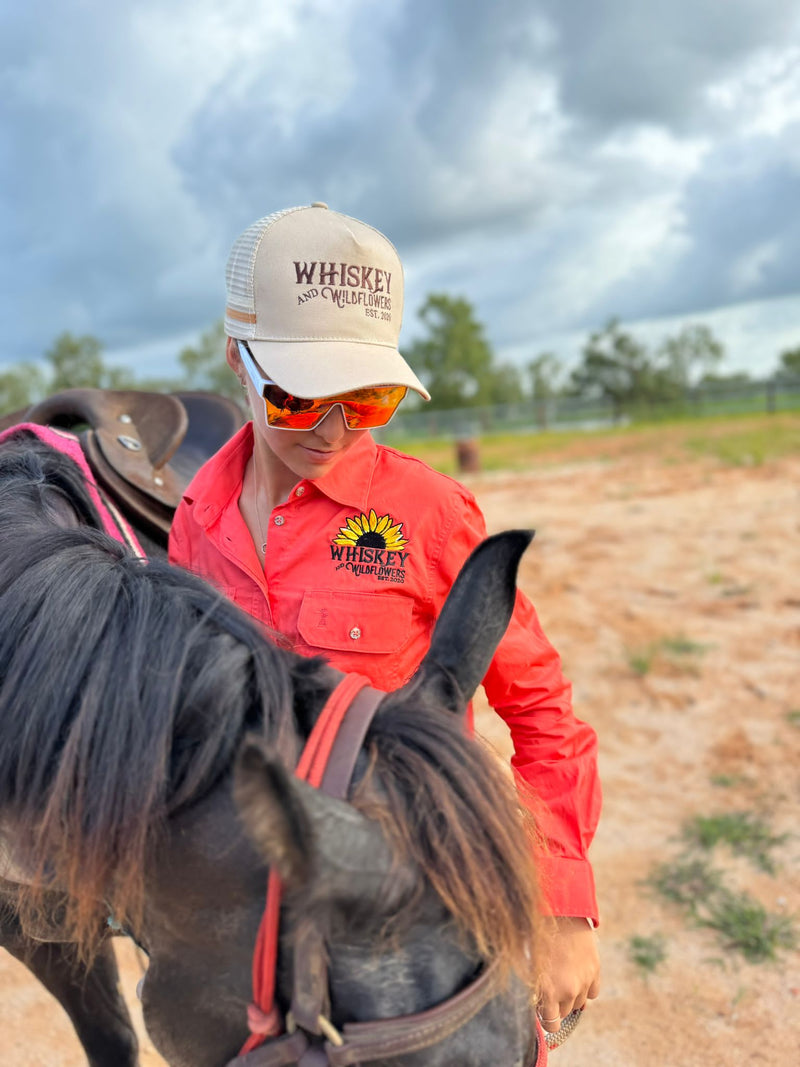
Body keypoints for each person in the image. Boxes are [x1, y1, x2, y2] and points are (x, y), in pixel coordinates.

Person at [168, 202, 601, 1032]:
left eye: (365, 398)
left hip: (414, 887)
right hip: (256, 891)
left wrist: (563, 904)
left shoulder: (431, 515)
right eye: (298, 397)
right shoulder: (195, 516)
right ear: (236, 357)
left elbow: (542, 712)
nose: (332, 429)